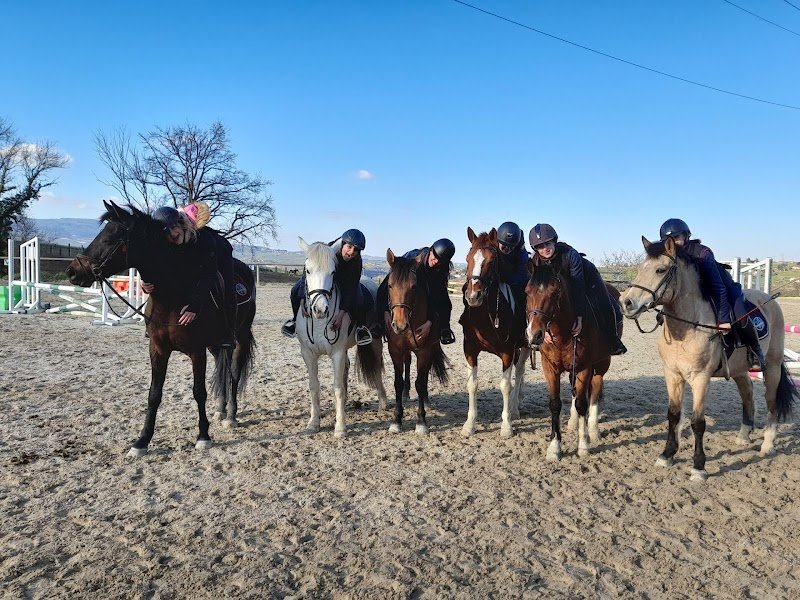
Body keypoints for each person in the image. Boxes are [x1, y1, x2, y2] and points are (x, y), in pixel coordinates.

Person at [659, 218, 766, 369]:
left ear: (686, 235)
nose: (673, 242)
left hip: (724, 288)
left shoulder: (703, 253)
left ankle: (756, 351)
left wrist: (723, 320)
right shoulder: (670, 257)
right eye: (668, 240)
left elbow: (718, 288)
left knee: (741, 316)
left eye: (676, 237)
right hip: (699, 292)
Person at [529, 223, 627, 355]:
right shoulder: (535, 261)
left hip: (586, 279)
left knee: (604, 302)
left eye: (548, 243)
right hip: (560, 286)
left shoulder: (571, 255)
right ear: (535, 249)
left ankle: (613, 339)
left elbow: (577, 287)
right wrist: (544, 330)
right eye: (540, 246)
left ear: (554, 241)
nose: (545, 249)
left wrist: (579, 317)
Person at [147, 204, 236, 348]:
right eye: (166, 233)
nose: (172, 234)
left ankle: (228, 332)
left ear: (181, 224)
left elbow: (207, 274)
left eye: (173, 228)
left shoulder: (205, 240)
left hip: (219, 254)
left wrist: (194, 307)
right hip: (192, 253)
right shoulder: (167, 241)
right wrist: (146, 282)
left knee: (227, 288)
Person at [281, 229, 373, 346]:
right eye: (349, 247)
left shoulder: (357, 261)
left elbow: (351, 287)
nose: (351, 252)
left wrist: (340, 316)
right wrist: (302, 297)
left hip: (346, 282)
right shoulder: (328, 250)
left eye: (356, 250)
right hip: (326, 279)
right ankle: (295, 321)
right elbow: (307, 272)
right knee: (295, 290)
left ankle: (360, 327)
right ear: (343, 243)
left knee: (360, 297)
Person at [376, 238, 457, 344]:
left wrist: (430, 322)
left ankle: (444, 330)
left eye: (441, 260)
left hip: (431, 284)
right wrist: (385, 311)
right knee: (383, 287)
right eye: (435, 257)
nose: (436, 261)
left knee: (446, 303)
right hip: (411, 281)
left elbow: (435, 296)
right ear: (431, 250)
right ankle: (379, 325)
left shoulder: (441, 269)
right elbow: (391, 286)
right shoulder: (411, 257)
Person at [496, 221, 530, 324]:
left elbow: (523, 274)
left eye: (511, 246)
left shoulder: (521, 252)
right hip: (495, 277)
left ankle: (522, 323)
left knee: (522, 297)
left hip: (513, 279)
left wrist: (505, 278)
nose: (507, 249)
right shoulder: (492, 244)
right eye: (504, 246)